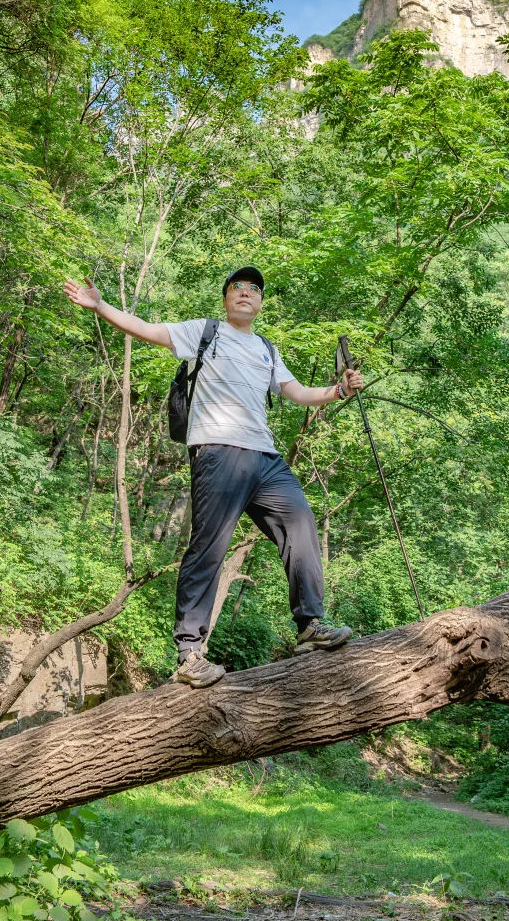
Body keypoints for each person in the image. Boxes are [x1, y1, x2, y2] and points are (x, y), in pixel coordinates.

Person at [61, 266, 362, 688]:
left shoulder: (267, 350)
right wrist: (100, 304)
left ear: (260, 303)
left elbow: (298, 394)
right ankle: (189, 653)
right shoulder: (205, 332)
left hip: (267, 457)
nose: (246, 292)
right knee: (209, 548)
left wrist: (340, 390)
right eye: (237, 287)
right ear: (225, 300)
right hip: (218, 450)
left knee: (301, 523)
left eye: (254, 289)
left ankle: (310, 625)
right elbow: (145, 329)